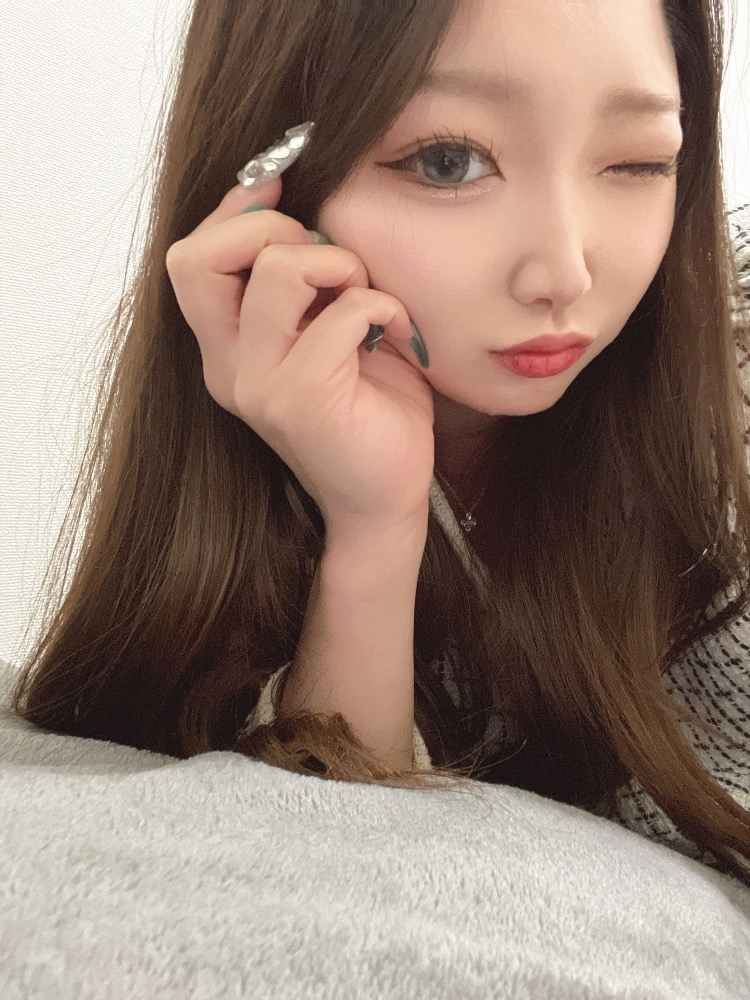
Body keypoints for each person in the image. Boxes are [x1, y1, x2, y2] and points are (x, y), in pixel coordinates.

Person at [10, 0, 750, 885]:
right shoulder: (230, 533)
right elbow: (346, 890)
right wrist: (373, 527)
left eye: (637, 162)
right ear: (271, 192)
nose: (564, 272)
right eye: (448, 162)